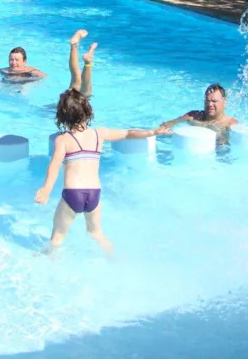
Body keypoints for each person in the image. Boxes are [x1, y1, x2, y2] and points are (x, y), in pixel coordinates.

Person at [35, 32, 171, 255]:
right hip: (94, 193)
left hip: (73, 193)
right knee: (96, 233)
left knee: (58, 237)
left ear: (62, 116)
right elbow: (128, 133)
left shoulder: (63, 139)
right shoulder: (100, 133)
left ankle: (46, 268)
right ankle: (117, 261)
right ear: (87, 111)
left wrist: (46, 189)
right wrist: (153, 131)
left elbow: (54, 166)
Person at [159, 83, 237, 145]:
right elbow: (169, 123)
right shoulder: (193, 116)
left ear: (224, 102)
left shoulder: (230, 123)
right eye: (207, 101)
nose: (209, 104)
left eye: (214, 101)